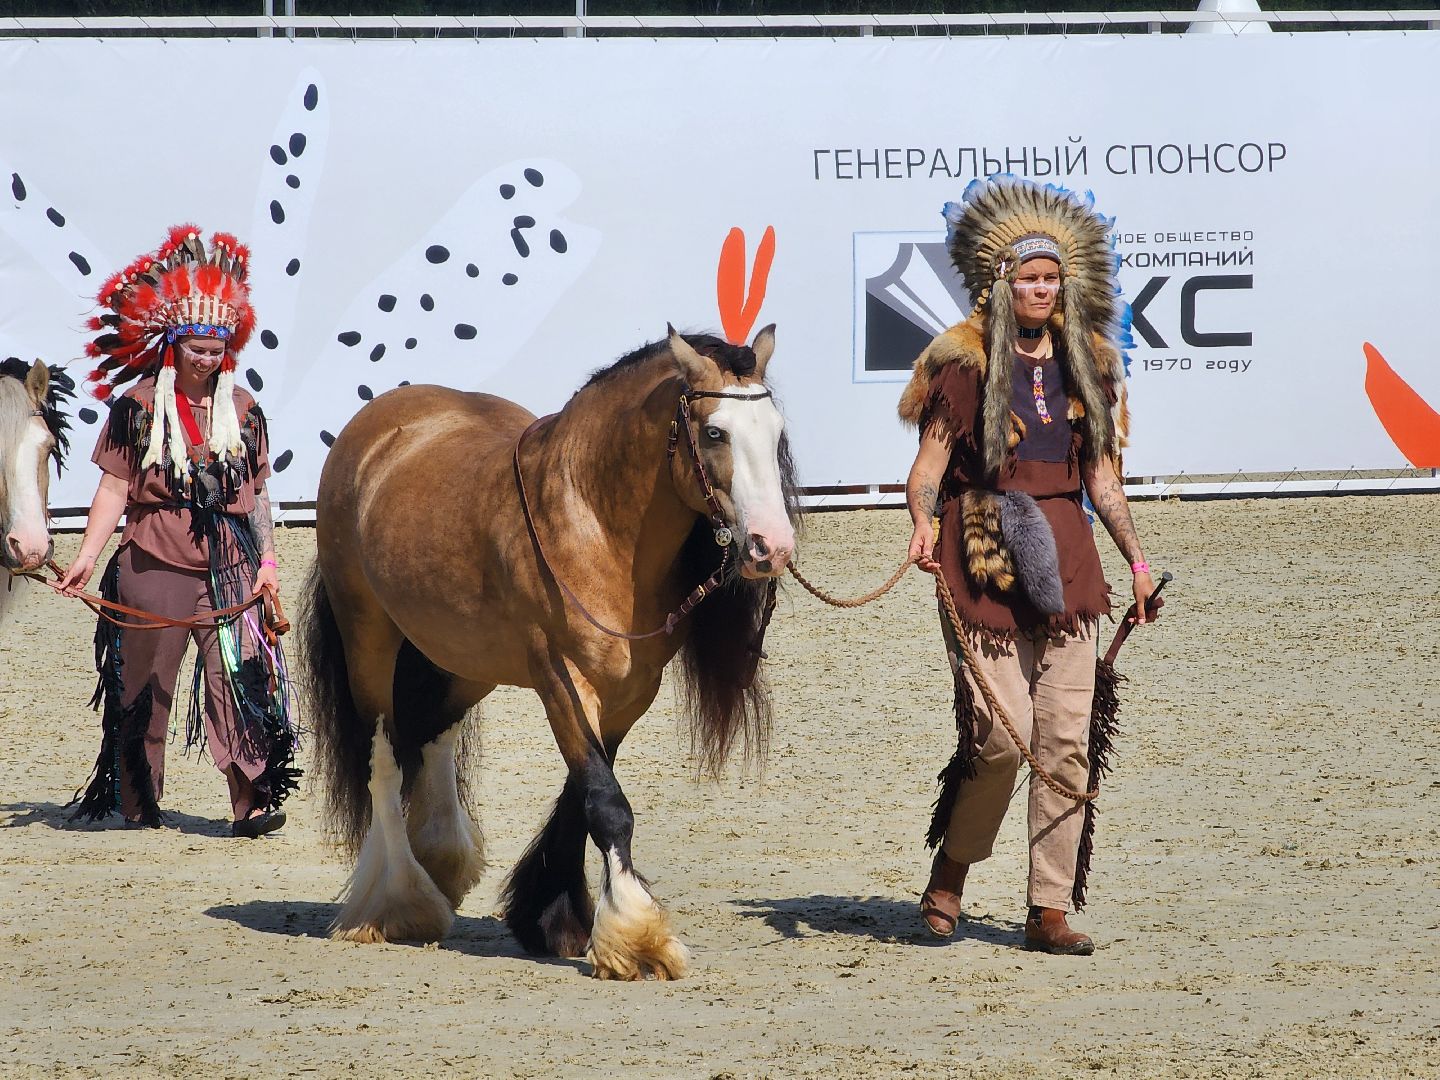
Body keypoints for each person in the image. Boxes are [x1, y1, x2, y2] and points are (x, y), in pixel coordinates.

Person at [898, 176, 1159, 954]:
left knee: (1068, 740)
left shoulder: (1091, 369)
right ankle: (952, 871)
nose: (1040, 288)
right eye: (1027, 277)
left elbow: (1104, 482)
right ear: (1002, 285)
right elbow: (928, 467)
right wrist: (920, 523)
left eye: (1050, 278)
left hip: (1071, 565)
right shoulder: (964, 368)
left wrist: (1138, 564)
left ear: (1063, 285)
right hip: (981, 554)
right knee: (1002, 740)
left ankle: (1048, 906)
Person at [61, 225, 297, 837]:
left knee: (239, 680)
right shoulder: (137, 407)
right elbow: (114, 486)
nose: (206, 357)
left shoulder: (245, 412)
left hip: (229, 569)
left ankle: (253, 804)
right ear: (173, 344)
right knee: (147, 686)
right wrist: (88, 554)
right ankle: (140, 805)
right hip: (152, 564)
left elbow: (257, 494)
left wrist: (268, 565)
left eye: (216, 347)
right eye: (196, 346)